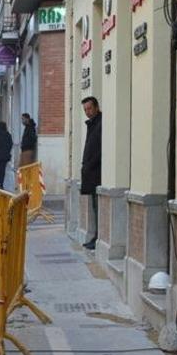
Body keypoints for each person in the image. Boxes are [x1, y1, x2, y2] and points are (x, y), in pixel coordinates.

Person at [81, 97, 102, 250]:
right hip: (91, 173)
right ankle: (95, 237)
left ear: (96, 107)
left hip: (97, 173)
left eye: (89, 109)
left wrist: (90, 164)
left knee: (98, 207)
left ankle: (97, 238)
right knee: (94, 207)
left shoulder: (100, 124)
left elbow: (99, 149)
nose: (87, 112)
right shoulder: (92, 124)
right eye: (85, 110)